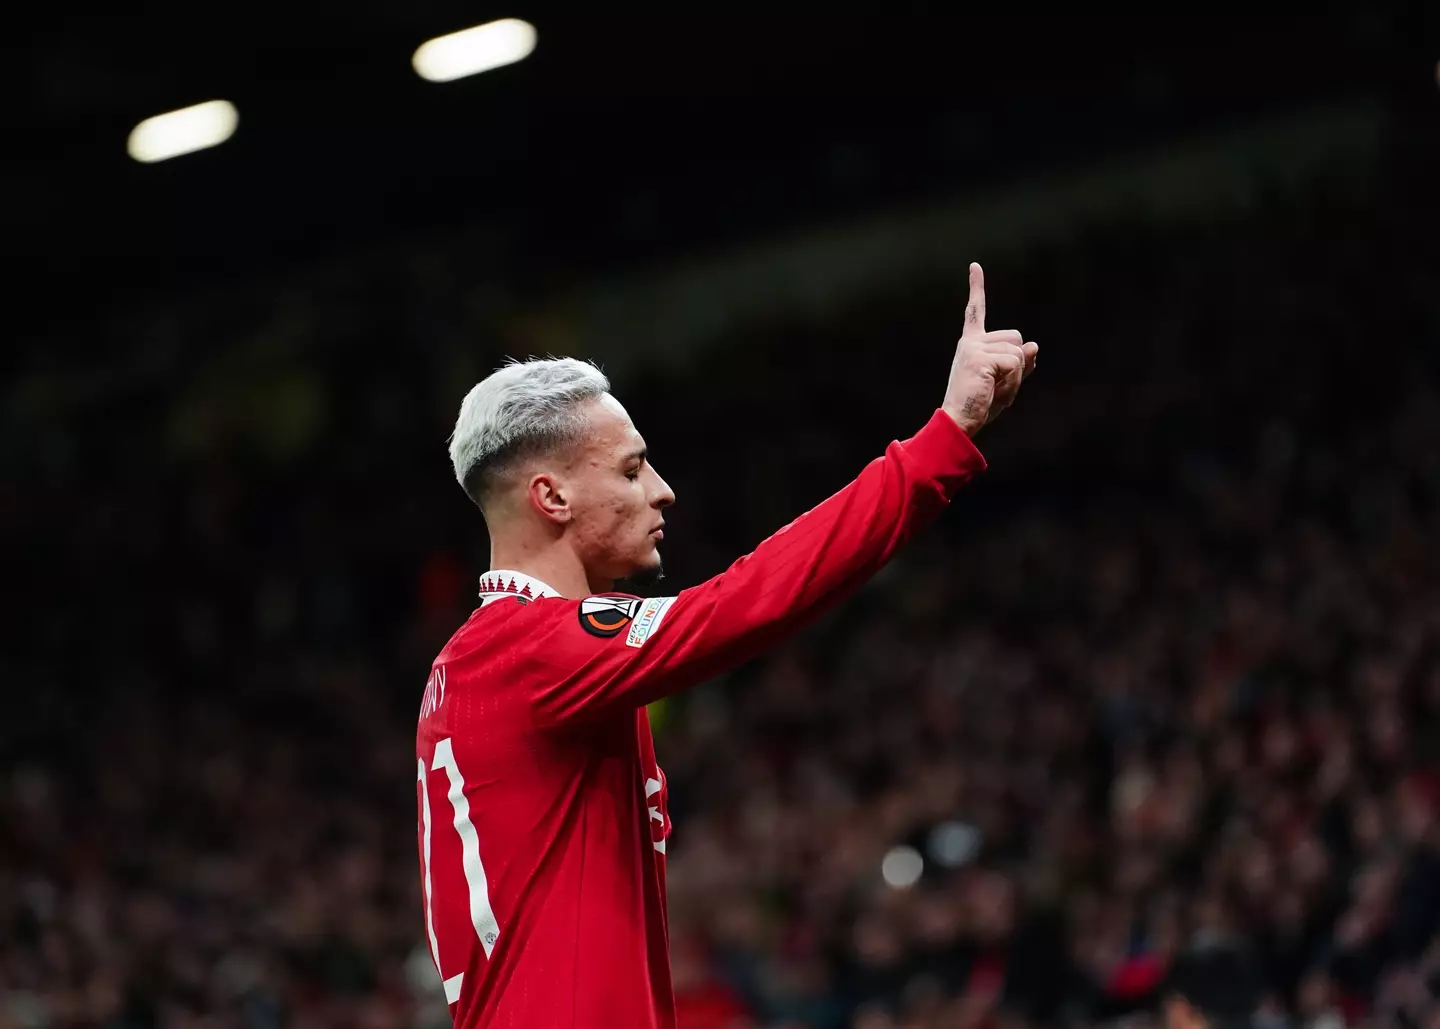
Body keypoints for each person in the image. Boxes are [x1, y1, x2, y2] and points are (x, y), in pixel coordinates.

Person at [415, 263, 1039, 1027]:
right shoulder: (528, 651)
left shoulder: (482, 661)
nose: (662, 489)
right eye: (633, 468)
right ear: (551, 496)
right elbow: (742, 601)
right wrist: (944, 440)